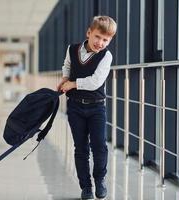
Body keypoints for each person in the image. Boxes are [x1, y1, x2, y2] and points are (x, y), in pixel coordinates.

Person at [57, 16, 117, 200]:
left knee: (99, 146)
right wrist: (65, 79)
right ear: (89, 33)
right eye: (98, 37)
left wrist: (73, 84)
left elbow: (95, 82)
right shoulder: (72, 49)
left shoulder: (106, 56)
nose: (100, 43)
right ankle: (86, 187)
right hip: (75, 107)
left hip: (97, 108)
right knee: (80, 148)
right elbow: (67, 65)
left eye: (106, 40)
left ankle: (100, 179)